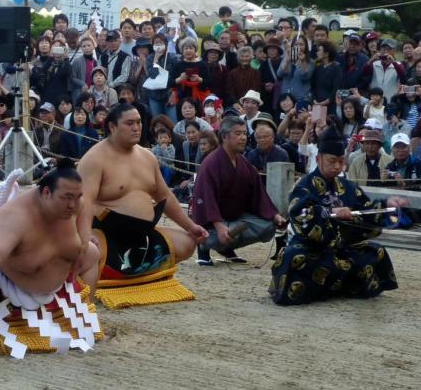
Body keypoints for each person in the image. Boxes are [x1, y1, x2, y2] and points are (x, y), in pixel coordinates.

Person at [0, 163, 101, 364]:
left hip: (58, 279)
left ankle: (84, 318)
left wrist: (83, 244)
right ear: (47, 192)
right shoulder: (16, 217)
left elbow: (84, 223)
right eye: (67, 198)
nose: (73, 205)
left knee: (93, 253)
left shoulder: (74, 204)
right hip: (10, 279)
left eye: (78, 197)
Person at [76, 103, 208, 293]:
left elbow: (165, 196)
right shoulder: (94, 159)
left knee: (187, 243)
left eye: (138, 122)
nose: (136, 127)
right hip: (106, 232)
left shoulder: (147, 156)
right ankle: (103, 272)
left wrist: (190, 226)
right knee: (89, 252)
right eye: (129, 123)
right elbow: (85, 201)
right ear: (112, 127)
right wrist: (85, 233)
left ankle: (136, 276)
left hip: (143, 235)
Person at [269, 126, 409, 305]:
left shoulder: (347, 186)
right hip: (312, 249)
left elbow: (365, 209)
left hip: (342, 247)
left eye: (341, 161)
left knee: (376, 251)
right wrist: (329, 213)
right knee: (293, 257)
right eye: (332, 161)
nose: (337, 166)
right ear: (319, 159)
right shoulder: (304, 185)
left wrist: (386, 205)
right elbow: (300, 214)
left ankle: (345, 287)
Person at [190, 116, 286, 266]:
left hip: (235, 218)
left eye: (244, 133)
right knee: (214, 237)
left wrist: (275, 215)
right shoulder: (210, 163)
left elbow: (258, 194)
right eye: (238, 133)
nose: (243, 138)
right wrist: (218, 225)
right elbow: (205, 198)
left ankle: (227, 247)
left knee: (268, 226)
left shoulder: (243, 162)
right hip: (211, 223)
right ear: (224, 136)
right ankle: (204, 246)